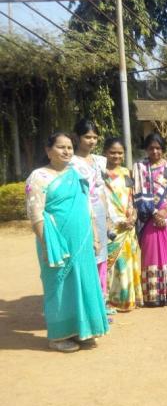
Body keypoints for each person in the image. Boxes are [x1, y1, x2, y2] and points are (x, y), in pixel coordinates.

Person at [25, 133, 109, 352]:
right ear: (48, 150)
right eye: (61, 147)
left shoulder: (77, 174)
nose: (67, 151)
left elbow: (87, 207)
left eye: (70, 147)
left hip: (81, 240)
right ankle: (58, 336)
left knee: (82, 282)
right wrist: (46, 244)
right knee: (59, 285)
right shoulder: (39, 177)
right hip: (55, 242)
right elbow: (35, 213)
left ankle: (82, 331)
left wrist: (95, 236)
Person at [133, 133, 167, 307]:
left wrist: (166, 210)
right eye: (151, 148)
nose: (155, 151)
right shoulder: (140, 168)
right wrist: (154, 212)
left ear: (163, 149)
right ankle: (152, 295)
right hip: (147, 217)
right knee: (150, 253)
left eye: (158, 148)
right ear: (146, 149)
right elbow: (136, 194)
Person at [102, 137, 143, 311]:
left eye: (120, 153)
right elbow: (99, 200)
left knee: (125, 263)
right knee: (110, 264)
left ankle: (126, 299)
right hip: (109, 226)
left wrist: (133, 215)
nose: (116, 156)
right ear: (105, 152)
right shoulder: (100, 173)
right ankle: (109, 300)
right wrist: (113, 221)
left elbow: (131, 196)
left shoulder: (127, 172)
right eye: (112, 152)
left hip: (128, 225)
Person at [71, 119, 109, 301]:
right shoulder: (71, 162)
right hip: (82, 213)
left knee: (101, 255)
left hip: (100, 212)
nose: (92, 141)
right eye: (87, 137)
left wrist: (107, 216)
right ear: (77, 137)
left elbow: (102, 189)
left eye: (95, 137)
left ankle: (101, 301)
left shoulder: (99, 161)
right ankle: (87, 302)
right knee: (86, 255)